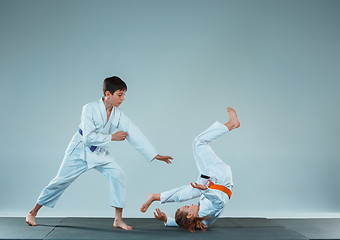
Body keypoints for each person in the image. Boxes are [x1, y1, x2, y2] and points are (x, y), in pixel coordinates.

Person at [26, 76, 173, 230]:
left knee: (118, 174)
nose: (123, 99)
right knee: (60, 181)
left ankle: (118, 219)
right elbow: (88, 137)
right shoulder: (89, 108)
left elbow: (133, 131)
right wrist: (112, 137)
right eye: (120, 95)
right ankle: (33, 212)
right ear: (108, 94)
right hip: (80, 149)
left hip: (100, 152)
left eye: (124, 95)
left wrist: (154, 154)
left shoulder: (118, 113)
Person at [140, 107, 240, 232]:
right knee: (198, 142)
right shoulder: (206, 210)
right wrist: (206, 190)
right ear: (190, 214)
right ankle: (231, 124)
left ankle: (156, 197)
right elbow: (219, 203)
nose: (191, 204)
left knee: (190, 191)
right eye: (187, 206)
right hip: (219, 178)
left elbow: (184, 223)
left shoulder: (200, 221)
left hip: (213, 183)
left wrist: (166, 220)